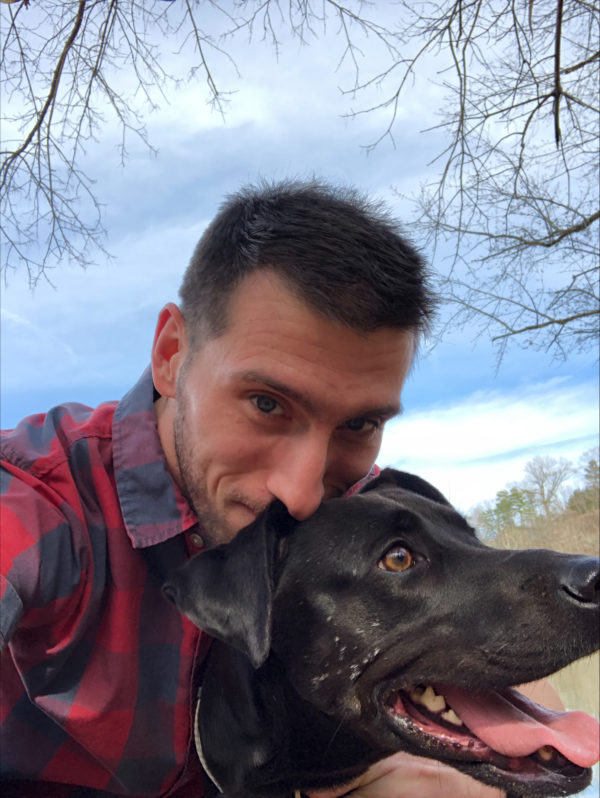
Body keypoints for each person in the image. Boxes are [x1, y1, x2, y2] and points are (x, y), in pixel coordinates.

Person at [1, 180, 558, 797]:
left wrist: (485, 775)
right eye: (267, 403)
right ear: (171, 354)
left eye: (360, 424)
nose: (303, 490)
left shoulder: (357, 507)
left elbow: (501, 625)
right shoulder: (38, 503)